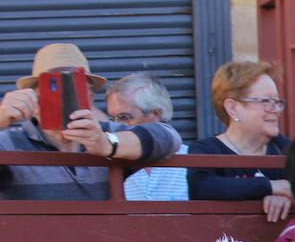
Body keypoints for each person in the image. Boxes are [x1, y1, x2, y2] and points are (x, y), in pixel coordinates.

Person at [0, 42, 182, 199]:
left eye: (74, 86)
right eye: (53, 86)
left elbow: (168, 137)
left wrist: (106, 144)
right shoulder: (9, 142)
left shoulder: (105, 132)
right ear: (34, 97)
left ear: (91, 98)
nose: (64, 97)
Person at [186, 61, 294, 221]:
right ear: (233, 108)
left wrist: (290, 198)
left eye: (277, 101)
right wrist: (272, 187)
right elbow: (201, 187)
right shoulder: (206, 149)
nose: (276, 110)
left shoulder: (285, 147)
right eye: (266, 101)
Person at [106, 72, 190, 200]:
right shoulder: (106, 166)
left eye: (124, 117)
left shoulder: (192, 163)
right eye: (112, 119)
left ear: (156, 115)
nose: (115, 127)